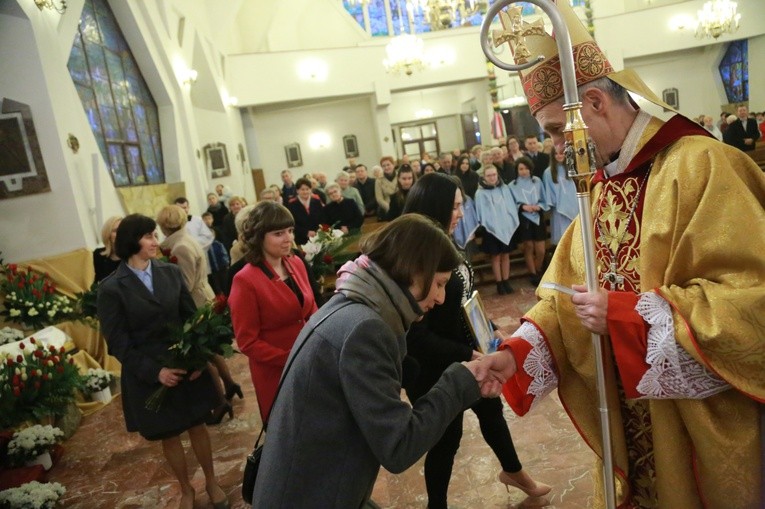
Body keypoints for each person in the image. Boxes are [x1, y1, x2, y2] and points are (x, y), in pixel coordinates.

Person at [485, 1, 765, 506]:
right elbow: (567, 297)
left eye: (554, 129)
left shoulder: (704, 167)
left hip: (695, 428)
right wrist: (517, 353)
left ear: (593, 102)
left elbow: (752, 301)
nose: (554, 146)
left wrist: (629, 316)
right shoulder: (601, 187)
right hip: (630, 418)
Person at [250, 214, 504, 508]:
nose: (441, 297)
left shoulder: (354, 303)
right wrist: (461, 378)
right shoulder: (366, 328)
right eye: (439, 283)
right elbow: (398, 446)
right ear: (414, 271)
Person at [402, 174, 549, 508]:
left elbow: (466, 298)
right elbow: (418, 337)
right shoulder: (417, 255)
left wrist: (491, 329)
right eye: (454, 206)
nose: (459, 212)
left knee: (491, 410)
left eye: (460, 205)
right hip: (434, 364)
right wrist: (469, 353)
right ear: (434, 207)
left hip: (468, 352)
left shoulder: (449, 242)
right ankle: (435, 505)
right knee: (447, 438)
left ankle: (514, 472)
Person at [97, 214, 229, 509]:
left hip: (184, 362)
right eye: (148, 237)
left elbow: (190, 319)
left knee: (198, 426)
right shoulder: (111, 288)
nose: (156, 242)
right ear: (132, 242)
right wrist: (155, 372)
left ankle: (211, 481)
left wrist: (197, 361)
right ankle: (186, 489)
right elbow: (118, 342)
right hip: (150, 372)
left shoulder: (170, 272)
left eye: (155, 235)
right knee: (169, 433)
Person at [228, 201, 318, 421]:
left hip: (310, 363)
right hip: (276, 372)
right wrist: (289, 358)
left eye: (289, 231)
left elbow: (312, 309)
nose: (288, 238)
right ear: (259, 236)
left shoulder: (295, 262)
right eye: (278, 233)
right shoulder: (245, 279)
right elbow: (247, 341)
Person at [156, 205, 240, 424]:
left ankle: (221, 402)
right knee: (211, 351)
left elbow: (185, 283)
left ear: (164, 225)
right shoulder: (186, 239)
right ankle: (230, 385)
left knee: (202, 356)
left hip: (196, 303)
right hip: (203, 295)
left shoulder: (180, 247)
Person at [474, 165, 519, 295]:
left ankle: (506, 280)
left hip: (506, 228)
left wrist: (510, 222)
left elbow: (510, 206)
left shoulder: (504, 189)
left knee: (506, 255)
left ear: (497, 175)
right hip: (491, 230)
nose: (492, 177)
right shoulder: (480, 193)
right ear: (484, 177)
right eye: (489, 175)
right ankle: (498, 283)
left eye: (494, 175)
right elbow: (482, 212)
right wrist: (492, 224)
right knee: (496, 257)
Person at [509, 157, 549, 286]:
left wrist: (539, 206)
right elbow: (511, 204)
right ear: (517, 170)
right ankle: (533, 274)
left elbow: (544, 198)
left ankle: (538, 269)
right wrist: (522, 207)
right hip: (524, 218)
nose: (524, 171)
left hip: (537, 216)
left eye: (526, 168)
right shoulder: (512, 185)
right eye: (521, 169)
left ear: (530, 169)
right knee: (528, 247)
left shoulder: (537, 181)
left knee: (541, 249)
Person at [542, 148, 578, 247]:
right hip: (559, 211)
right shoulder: (548, 173)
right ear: (552, 156)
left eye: (561, 153)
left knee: (577, 238)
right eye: (556, 154)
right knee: (564, 241)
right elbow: (549, 193)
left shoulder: (573, 168)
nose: (559, 156)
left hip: (575, 206)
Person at [285, 177, 325, 245]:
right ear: (297, 191)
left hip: (318, 238)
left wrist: (318, 232)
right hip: (301, 240)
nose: (305, 191)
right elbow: (291, 224)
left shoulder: (317, 202)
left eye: (307, 189)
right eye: (302, 189)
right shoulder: (291, 204)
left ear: (310, 190)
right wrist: (306, 232)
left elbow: (322, 219)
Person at [93, 215, 122, 283]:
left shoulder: (133, 255)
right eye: (116, 231)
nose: (120, 233)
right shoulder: (98, 255)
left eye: (123, 230)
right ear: (108, 234)